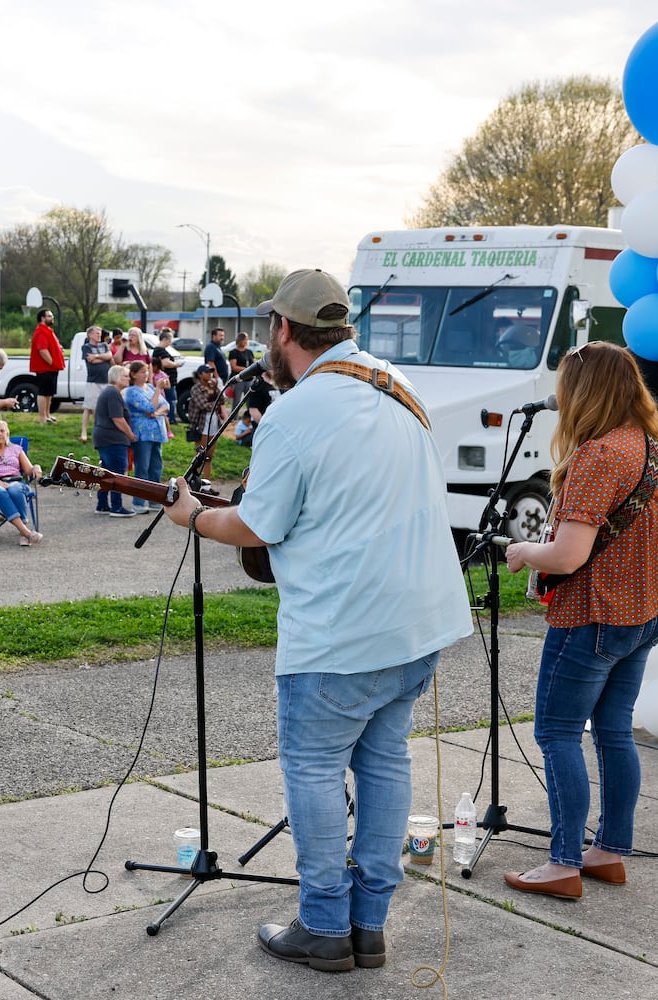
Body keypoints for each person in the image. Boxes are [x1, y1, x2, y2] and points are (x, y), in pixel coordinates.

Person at [165, 268, 472, 973]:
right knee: (386, 762)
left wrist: (192, 515)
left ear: (283, 332)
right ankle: (369, 925)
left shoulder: (296, 412)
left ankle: (326, 926)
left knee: (312, 768)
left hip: (342, 633)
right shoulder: (398, 386)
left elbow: (257, 524)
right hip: (416, 623)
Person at [502, 341, 658, 901]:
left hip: (594, 617)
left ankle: (563, 862)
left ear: (582, 392)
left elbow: (567, 556)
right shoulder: (656, 450)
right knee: (613, 732)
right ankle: (610, 851)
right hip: (644, 615)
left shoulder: (597, 455)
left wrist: (523, 552)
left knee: (558, 732)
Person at [0, 420, 43, 546]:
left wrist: (37, 467)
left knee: (14, 489)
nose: (0, 434)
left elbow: (29, 470)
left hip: (15, 481)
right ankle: (26, 532)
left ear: (7, 434)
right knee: (0, 491)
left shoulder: (16, 449)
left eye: (3, 431)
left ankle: (24, 531)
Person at [122, 361, 167, 513]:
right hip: (142, 434)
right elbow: (149, 407)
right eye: (142, 371)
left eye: (147, 371)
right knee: (143, 468)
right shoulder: (132, 391)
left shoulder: (151, 388)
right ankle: (139, 502)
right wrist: (158, 392)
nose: (146, 374)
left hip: (156, 433)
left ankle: (154, 500)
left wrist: (156, 413)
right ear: (133, 374)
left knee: (156, 467)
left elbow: (166, 405)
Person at [91, 365, 135, 517]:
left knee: (105, 473)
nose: (129, 379)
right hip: (112, 439)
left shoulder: (109, 392)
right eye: (125, 376)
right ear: (116, 377)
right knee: (117, 473)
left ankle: (102, 504)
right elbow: (118, 419)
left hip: (104, 438)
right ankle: (116, 506)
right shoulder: (112, 393)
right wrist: (131, 435)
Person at [185, 363, 226, 471]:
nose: (210, 374)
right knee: (200, 456)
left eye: (211, 372)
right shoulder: (196, 388)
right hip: (201, 424)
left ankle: (207, 484)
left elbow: (222, 400)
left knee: (209, 456)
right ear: (200, 374)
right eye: (207, 372)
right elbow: (204, 406)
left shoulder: (213, 387)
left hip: (214, 423)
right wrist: (216, 405)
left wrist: (216, 388)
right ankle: (196, 482)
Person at [29, 308, 65, 424]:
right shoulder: (41, 332)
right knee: (43, 392)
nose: (52, 318)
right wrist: (52, 362)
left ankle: (48, 414)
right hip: (44, 368)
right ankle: (42, 417)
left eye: (52, 316)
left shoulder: (48, 331)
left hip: (52, 368)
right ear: (42, 318)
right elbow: (42, 350)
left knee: (49, 392)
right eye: (49, 316)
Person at [80, 325, 112, 443]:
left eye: (100, 333)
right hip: (93, 381)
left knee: (101, 407)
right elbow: (90, 360)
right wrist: (103, 358)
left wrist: (98, 357)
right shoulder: (86, 347)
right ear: (90, 335)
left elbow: (109, 356)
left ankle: (98, 431)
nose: (99, 335)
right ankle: (85, 432)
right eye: (97, 333)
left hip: (105, 380)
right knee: (90, 406)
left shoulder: (104, 345)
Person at [151, 329, 182, 422]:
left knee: (169, 398)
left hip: (168, 379)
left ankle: (169, 418)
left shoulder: (160, 350)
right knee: (170, 399)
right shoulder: (160, 350)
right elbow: (165, 363)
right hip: (167, 380)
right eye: (169, 340)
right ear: (165, 339)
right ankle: (171, 418)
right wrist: (176, 364)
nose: (170, 342)